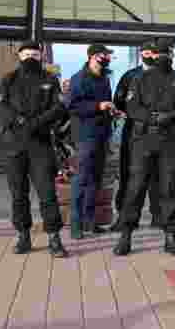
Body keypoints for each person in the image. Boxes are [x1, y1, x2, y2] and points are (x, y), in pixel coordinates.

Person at [112, 41, 175, 257]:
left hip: (171, 142)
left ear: (172, 55)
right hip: (143, 140)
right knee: (135, 188)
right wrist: (151, 118)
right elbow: (131, 107)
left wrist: (173, 116)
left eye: (166, 54)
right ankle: (126, 236)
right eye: (159, 54)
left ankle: (171, 237)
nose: (162, 58)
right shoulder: (139, 79)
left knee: (169, 190)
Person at [0, 42, 69, 257]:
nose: (30, 58)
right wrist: (17, 120)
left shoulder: (50, 79)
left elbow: (59, 107)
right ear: (19, 56)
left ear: (41, 56)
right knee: (18, 194)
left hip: (40, 145)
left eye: (35, 54)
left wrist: (37, 122)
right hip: (13, 145)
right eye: (26, 54)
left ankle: (54, 238)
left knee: (47, 194)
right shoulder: (9, 79)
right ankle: (23, 236)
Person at [110, 41, 161, 231]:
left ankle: (159, 217)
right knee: (129, 177)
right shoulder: (129, 76)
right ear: (141, 54)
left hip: (159, 135)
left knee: (157, 178)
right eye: (146, 52)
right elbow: (119, 102)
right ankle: (125, 218)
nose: (149, 55)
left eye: (153, 52)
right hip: (134, 134)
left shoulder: (166, 76)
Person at [67, 44, 116, 239]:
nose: (107, 58)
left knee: (95, 179)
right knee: (82, 178)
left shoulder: (103, 78)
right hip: (85, 135)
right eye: (104, 55)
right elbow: (72, 105)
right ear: (92, 57)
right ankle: (76, 225)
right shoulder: (79, 78)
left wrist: (112, 110)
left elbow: (104, 105)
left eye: (108, 56)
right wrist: (98, 105)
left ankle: (90, 222)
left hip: (102, 134)